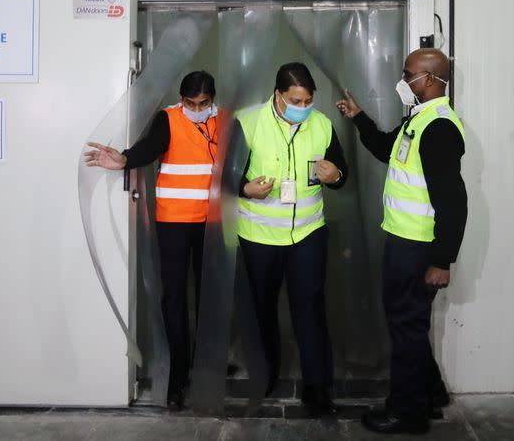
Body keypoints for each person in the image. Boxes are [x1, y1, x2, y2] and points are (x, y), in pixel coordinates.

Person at [336, 49, 467, 435]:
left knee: (405, 327)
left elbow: (453, 201)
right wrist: (358, 117)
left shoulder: (440, 128)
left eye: (407, 73)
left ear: (428, 80)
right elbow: (383, 148)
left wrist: (442, 260)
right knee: (408, 324)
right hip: (403, 242)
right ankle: (430, 394)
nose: (402, 79)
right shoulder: (419, 120)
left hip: (417, 248)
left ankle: (407, 413)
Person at [84, 70, 219, 411]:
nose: (197, 108)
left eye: (204, 103)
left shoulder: (224, 123)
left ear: (212, 100)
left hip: (213, 225)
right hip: (174, 223)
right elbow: (150, 148)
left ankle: (206, 366)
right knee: (173, 299)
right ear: (181, 98)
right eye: (191, 102)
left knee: (210, 297)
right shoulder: (169, 119)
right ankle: (177, 376)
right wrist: (125, 159)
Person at [236, 62, 348, 417]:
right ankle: (265, 375)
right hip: (259, 237)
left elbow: (340, 173)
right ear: (278, 95)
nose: (303, 106)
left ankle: (318, 389)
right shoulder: (247, 122)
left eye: (308, 99)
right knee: (262, 309)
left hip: (308, 235)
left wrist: (336, 175)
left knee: (310, 311)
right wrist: (245, 188)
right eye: (296, 99)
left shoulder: (323, 125)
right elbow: (224, 177)